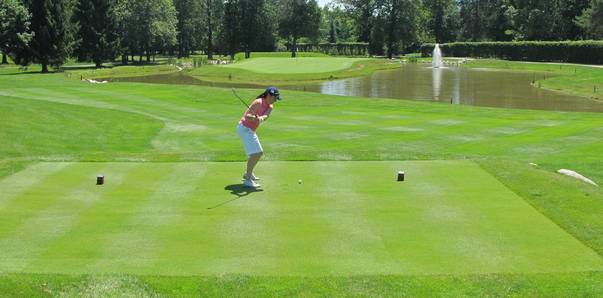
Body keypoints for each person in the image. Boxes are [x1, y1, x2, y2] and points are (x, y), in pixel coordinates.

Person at [237, 87, 280, 188]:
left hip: (250, 130)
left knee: (258, 153)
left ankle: (248, 173)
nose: (275, 100)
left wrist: (260, 118)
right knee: (255, 153)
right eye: (275, 97)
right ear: (269, 95)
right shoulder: (258, 102)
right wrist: (253, 117)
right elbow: (247, 116)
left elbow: (266, 116)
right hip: (244, 128)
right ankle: (247, 180)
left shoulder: (270, 106)